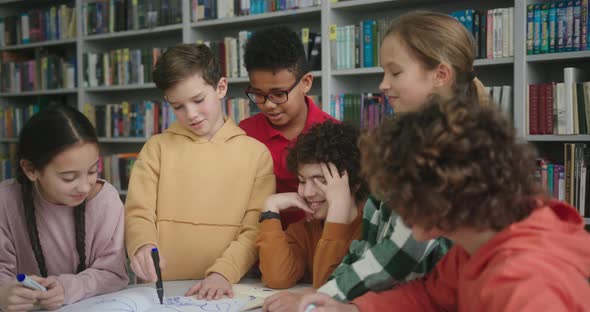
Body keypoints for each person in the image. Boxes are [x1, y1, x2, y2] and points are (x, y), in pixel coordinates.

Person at [300, 95, 590, 311]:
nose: (393, 205)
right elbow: (428, 296)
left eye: (398, 194)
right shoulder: (479, 241)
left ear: (439, 198)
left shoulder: (528, 285)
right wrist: (353, 309)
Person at [316, 10, 488, 302]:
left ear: (440, 76)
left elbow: (402, 254)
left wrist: (328, 295)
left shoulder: (449, 154)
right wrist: (326, 294)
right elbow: (366, 245)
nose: (383, 84)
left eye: (395, 73)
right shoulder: (401, 145)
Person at [125, 44, 275, 300]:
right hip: (159, 290)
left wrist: (223, 273)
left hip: (228, 287)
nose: (191, 114)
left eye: (198, 100)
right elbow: (139, 212)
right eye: (178, 106)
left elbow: (255, 230)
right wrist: (142, 245)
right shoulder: (156, 148)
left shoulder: (256, 155)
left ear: (221, 87)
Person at [0, 105, 129, 311]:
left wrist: (70, 287)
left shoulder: (106, 200)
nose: (85, 186)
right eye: (69, 177)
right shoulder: (5, 201)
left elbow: (114, 274)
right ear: (30, 169)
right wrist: (5, 292)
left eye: (92, 170)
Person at [258, 121, 367, 311]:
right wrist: (270, 208)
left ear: (355, 183)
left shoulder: (372, 227)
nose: (307, 192)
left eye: (321, 181)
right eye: (302, 181)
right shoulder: (305, 229)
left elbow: (326, 290)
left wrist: (338, 209)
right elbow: (277, 278)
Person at [239, 26, 335, 229]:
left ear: (306, 83)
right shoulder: (243, 135)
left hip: (319, 245)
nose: (268, 104)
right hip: (260, 243)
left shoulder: (334, 135)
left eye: (279, 93)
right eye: (258, 94)